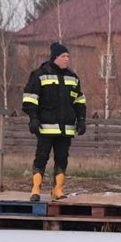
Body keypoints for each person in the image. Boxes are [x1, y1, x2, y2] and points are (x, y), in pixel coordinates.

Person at [22, 42, 87, 202]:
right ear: (55, 57)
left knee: (62, 158)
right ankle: (36, 189)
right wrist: (33, 118)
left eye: (68, 56)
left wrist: (82, 120)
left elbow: (79, 101)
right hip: (45, 126)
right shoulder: (40, 74)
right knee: (41, 157)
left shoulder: (73, 77)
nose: (67, 59)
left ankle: (57, 189)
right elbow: (30, 99)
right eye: (64, 56)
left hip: (66, 129)